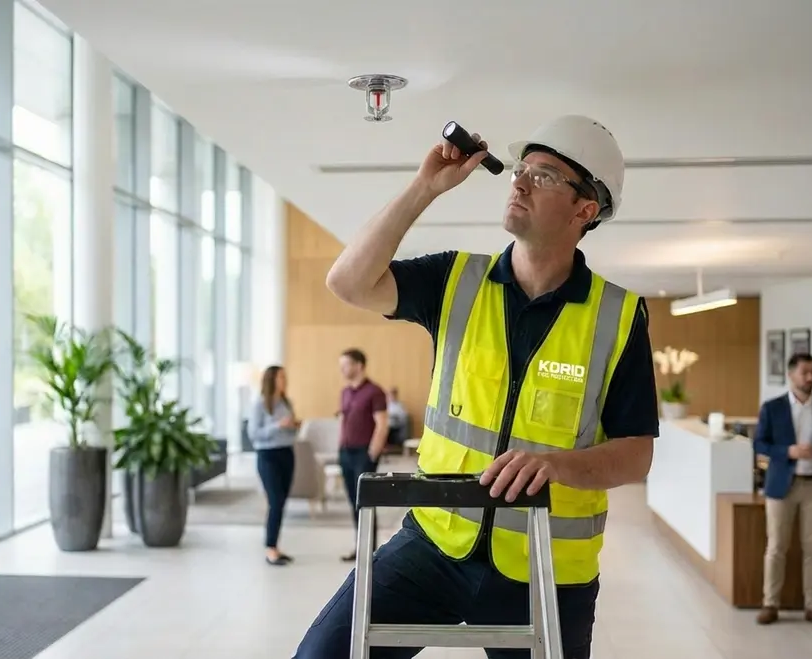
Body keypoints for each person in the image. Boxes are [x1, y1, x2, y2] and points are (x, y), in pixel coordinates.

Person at [293, 115, 659, 659]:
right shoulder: (456, 281)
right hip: (434, 545)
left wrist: (555, 465)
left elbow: (636, 455)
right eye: (520, 169)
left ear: (585, 210)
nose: (520, 182)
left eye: (544, 175)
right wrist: (425, 187)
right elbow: (347, 282)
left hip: (546, 567)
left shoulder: (619, 317)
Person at [752, 352, 812, 628]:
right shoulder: (773, 408)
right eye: (805, 372)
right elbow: (759, 444)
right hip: (782, 486)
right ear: (791, 375)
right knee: (776, 547)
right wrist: (788, 451)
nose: (810, 377)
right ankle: (770, 603)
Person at [336, 348, 389, 561]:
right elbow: (343, 421)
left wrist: (372, 454)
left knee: (365, 502)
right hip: (346, 452)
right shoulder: (345, 392)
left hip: (363, 454)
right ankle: (360, 548)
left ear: (359, 365)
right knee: (353, 501)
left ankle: (370, 552)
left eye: (346, 365)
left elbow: (382, 424)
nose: (342, 369)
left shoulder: (375, 392)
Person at [248, 365, 300, 566]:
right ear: (272, 380)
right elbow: (254, 434)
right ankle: (270, 548)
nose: (285, 381)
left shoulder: (286, 402)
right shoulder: (260, 404)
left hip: (286, 453)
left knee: (282, 501)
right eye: (281, 377)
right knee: (275, 501)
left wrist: (293, 426)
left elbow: (290, 432)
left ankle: (275, 547)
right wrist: (278, 425)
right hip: (268, 455)